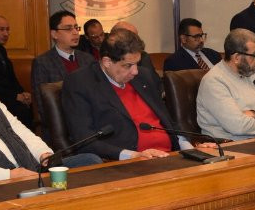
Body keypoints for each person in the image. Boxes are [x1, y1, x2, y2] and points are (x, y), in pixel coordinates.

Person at [0, 43, 98, 185]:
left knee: (90, 160)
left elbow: (17, 128)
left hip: (29, 169)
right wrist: (8, 175)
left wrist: (43, 153)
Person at [62, 27, 193, 161]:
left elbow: (168, 121)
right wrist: (132, 155)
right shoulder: (80, 83)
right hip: (128, 162)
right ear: (107, 62)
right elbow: (84, 139)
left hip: (170, 156)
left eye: (137, 63)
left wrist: (189, 149)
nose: (135, 71)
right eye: (128, 65)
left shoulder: (144, 76)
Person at [196, 29, 255, 140]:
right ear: (236, 58)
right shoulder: (214, 81)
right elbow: (238, 126)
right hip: (229, 144)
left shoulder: (252, 74)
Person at [30, 10, 93, 146]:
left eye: (76, 28)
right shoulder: (43, 62)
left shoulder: (88, 59)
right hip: (61, 131)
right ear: (54, 34)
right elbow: (44, 107)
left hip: (91, 126)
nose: (75, 33)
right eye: (68, 29)